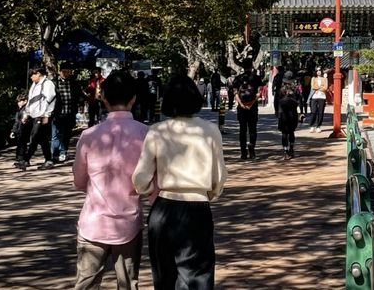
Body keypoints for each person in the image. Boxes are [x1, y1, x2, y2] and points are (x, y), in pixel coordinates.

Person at [133, 74, 227, 290]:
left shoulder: (157, 131)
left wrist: (148, 189)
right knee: (197, 275)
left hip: (164, 208)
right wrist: (209, 193)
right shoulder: (210, 130)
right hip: (197, 208)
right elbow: (219, 176)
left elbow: (141, 178)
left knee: (164, 274)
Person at [72, 69, 153, 290]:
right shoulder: (146, 134)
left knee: (85, 284)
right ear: (134, 99)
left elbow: (79, 181)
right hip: (129, 225)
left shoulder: (89, 136)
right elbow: (150, 185)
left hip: (93, 223)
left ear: (104, 99)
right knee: (128, 284)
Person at [14, 65, 56, 170]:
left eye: (32, 75)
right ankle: (49, 160)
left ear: (38, 74)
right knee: (42, 139)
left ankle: (26, 160)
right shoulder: (34, 85)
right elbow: (31, 100)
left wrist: (47, 114)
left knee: (35, 137)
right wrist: (26, 113)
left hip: (41, 115)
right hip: (33, 115)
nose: (31, 77)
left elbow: (51, 100)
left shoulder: (48, 84)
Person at [52, 62, 82, 163]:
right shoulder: (54, 83)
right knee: (56, 134)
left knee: (67, 134)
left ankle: (63, 152)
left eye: (68, 72)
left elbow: (78, 95)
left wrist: (80, 105)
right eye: (64, 71)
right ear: (60, 72)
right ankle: (54, 154)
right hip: (57, 113)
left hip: (69, 112)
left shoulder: (73, 83)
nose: (66, 74)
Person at [233, 58, 261, 160]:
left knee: (242, 130)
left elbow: (235, 93)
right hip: (253, 107)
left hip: (241, 108)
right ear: (252, 66)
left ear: (242, 66)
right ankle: (252, 148)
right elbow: (258, 93)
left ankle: (243, 152)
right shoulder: (257, 78)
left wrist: (241, 104)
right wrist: (251, 104)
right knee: (253, 129)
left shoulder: (237, 79)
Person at [277, 72, 301, 160]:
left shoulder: (281, 90)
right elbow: (299, 100)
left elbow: (277, 101)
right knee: (291, 132)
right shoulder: (296, 89)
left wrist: (277, 111)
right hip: (293, 113)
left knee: (284, 133)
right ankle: (291, 148)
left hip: (283, 113)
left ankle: (285, 151)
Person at [307, 68, 328, 133]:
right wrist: (321, 87)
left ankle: (318, 126)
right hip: (314, 96)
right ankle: (312, 125)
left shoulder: (325, 79)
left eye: (319, 70)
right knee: (313, 112)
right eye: (317, 71)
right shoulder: (313, 78)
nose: (318, 72)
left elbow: (326, 87)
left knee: (321, 112)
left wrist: (318, 88)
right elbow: (313, 86)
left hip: (322, 97)